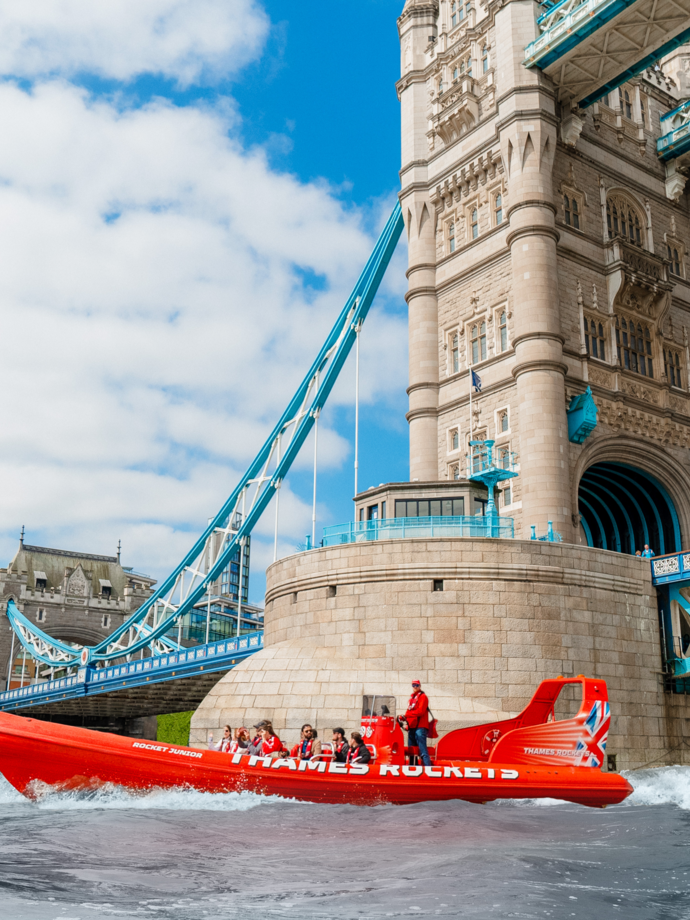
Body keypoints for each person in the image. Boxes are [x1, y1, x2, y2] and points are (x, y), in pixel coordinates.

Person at [402, 679, 432, 767]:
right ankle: (412, 768)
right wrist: (403, 717)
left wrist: (407, 714)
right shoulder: (412, 699)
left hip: (420, 727)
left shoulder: (423, 697)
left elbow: (420, 711)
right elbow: (409, 712)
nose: (415, 687)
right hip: (412, 727)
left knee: (422, 750)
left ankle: (427, 768)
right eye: (413, 685)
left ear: (420, 686)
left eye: (416, 685)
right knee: (412, 751)